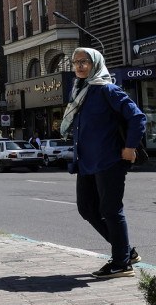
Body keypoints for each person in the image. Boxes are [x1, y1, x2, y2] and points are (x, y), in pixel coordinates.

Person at [61, 47, 146, 279]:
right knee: (87, 208)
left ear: (96, 64)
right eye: (76, 62)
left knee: (111, 210)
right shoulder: (80, 91)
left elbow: (137, 117)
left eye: (85, 61)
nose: (79, 66)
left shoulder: (107, 89)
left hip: (109, 160)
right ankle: (126, 252)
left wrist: (130, 147)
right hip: (86, 161)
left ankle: (121, 263)